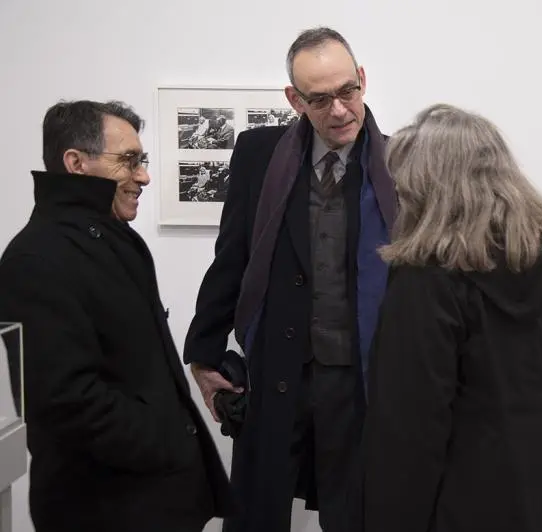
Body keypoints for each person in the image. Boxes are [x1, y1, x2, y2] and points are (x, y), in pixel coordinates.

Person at [183, 27, 396, 532]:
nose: (340, 110)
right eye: (320, 100)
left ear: (362, 80)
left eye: (348, 92)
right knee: (259, 515)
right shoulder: (259, 154)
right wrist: (203, 353)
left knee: (360, 515)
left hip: (361, 379)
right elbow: (231, 256)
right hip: (277, 372)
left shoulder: (399, 163)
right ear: (294, 99)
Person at [0, 100, 235, 532]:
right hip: (105, 509)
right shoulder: (36, 259)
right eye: (128, 161)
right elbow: (66, 402)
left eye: (141, 160)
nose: (143, 175)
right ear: (76, 163)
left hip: (154, 500)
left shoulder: (113, 241)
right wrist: (167, 441)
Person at [361, 103, 542, 532]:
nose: (401, 193)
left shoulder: (425, 281)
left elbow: (410, 429)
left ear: (432, 187)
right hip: (527, 486)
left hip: (449, 500)